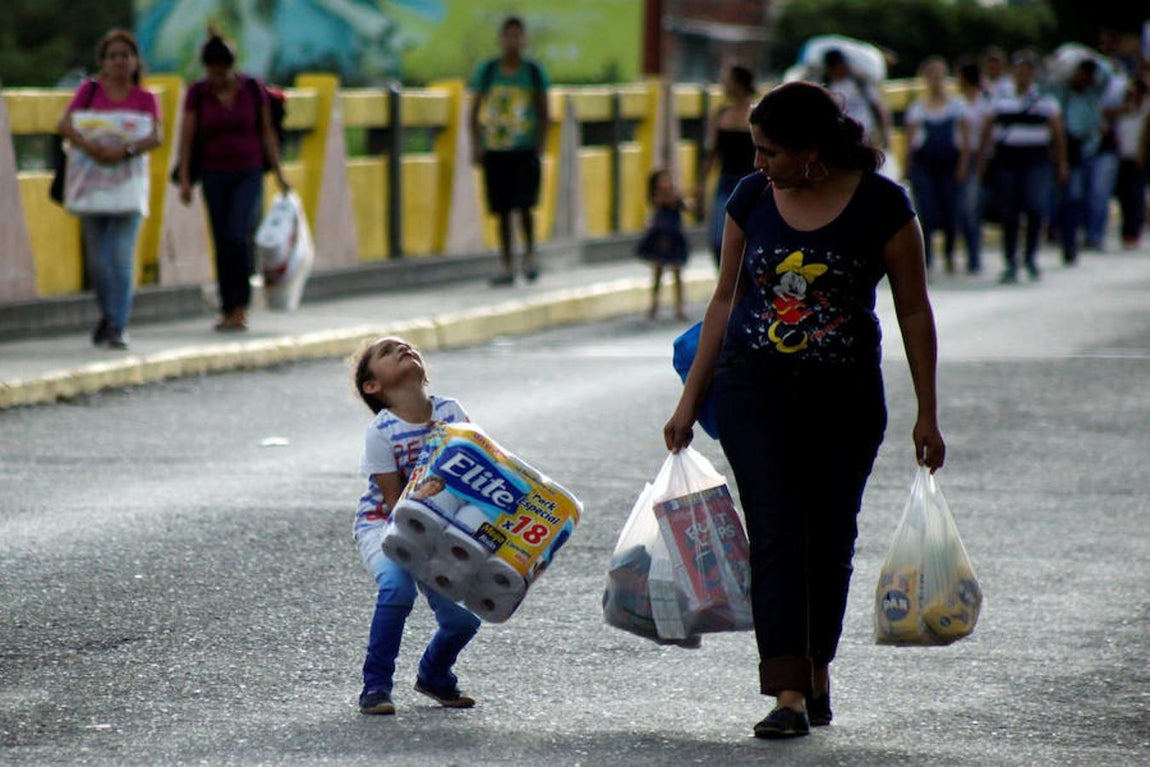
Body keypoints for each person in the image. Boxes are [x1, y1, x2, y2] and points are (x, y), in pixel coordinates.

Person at [663, 81, 945, 740]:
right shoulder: (752, 198)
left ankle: (818, 667)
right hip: (753, 391)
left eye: (769, 151)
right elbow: (724, 302)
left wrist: (928, 411)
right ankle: (786, 688)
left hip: (844, 399)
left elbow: (913, 310)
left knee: (830, 537)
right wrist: (688, 399)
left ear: (810, 151)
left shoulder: (883, 205)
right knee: (777, 533)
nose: (757, 162)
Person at [350, 335, 481, 715]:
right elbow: (395, 504)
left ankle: (435, 675)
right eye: (388, 352)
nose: (402, 349)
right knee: (396, 589)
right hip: (386, 526)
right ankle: (375, 686)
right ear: (372, 386)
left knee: (463, 620)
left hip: (440, 527)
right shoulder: (381, 432)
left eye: (406, 346)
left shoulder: (452, 411)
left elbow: (478, 468)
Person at [174, 26, 290, 332]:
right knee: (222, 238)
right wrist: (185, 178)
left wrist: (278, 173)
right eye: (213, 73)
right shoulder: (198, 94)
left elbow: (267, 133)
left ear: (231, 67)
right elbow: (186, 139)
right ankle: (228, 306)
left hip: (248, 171)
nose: (218, 79)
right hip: (214, 173)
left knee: (239, 234)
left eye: (222, 72)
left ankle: (241, 305)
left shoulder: (252, 89)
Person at [56, 29, 162, 351]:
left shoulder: (145, 99)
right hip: (91, 186)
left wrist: (125, 151)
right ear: (103, 62)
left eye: (125, 56)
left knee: (120, 258)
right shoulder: (88, 91)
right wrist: (90, 146)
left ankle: (118, 324)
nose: (119, 62)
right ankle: (107, 312)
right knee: (98, 262)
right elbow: (65, 124)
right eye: (113, 56)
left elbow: (157, 136)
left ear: (135, 62)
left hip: (128, 184)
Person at [468, 16, 551, 286]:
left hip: (525, 148)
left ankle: (529, 255)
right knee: (501, 210)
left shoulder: (534, 72)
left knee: (525, 205)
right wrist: (477, 145)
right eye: (509, 35)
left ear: (524, 39)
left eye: (518, 35)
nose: (513, 41)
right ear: (501, 39)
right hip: (495, 149)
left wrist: (540, 143)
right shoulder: (489, 71)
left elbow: (543, 110)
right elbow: (474, 110)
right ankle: (506, 263)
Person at [977, 50, 1067, 283]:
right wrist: (983, 159)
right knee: (1010, 211)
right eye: (1019, 69)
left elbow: (1057, 133)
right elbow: (988, 127)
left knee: (1036, 208)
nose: (1023, 74)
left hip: (1036, 159)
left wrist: (1061, 163)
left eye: (1028, 69)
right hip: (1008, 159)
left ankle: (1030, 257)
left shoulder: (1044, 99)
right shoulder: (1001, 97)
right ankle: (1010, 261)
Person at [903, 56, 970, 275]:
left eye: (939, 76)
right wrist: (907, 167)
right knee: (927, 212)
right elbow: (910, 141)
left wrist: (963, 166)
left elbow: (965, 139)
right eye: (931, 76)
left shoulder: (957, 106)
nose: (935, 81)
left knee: (951, 210)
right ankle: (928, 258)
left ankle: (950, 253)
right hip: (925, 164)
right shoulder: (918, 108)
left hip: (949, 163)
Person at [1054, 57, 1115, 262]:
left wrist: (1094, 57)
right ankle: (1068, 240)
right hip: (1069, 149)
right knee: (1071, 197)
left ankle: (1092, 235)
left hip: (1089, 149)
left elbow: (1108, 77)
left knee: (1093, 195)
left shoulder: (1092, 94)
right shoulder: (1065, 93)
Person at [696, 65, 757, 268]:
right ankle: (725, 280)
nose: (724, 84)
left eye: (728, 79)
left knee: (749, 236)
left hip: (752, 182)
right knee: (717, 238)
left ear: (739, 83)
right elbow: (711, 152)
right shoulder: (721, 114)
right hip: (726, 181)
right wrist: (700, 184)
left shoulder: (756, 114)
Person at [955, 59, 993, 274]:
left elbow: (986, 134)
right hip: (961, 157)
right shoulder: (959, 102)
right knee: (962, 210)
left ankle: (975, 256)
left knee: (972, 208)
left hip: (977, 158)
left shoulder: (984, 102)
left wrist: (980, 163)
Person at [637, 169, 690, 320]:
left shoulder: (675, 196)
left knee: (677, 271)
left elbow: (686, 206)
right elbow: (659, 205)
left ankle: (680, 307)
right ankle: (654, 305)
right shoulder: (659, 197)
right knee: (658, 272)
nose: (666, 183)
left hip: (674, 236)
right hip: (661, 237)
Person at [822, 48, 892, 151]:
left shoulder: (860, 82)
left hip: (867, 133)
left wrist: (885, 134)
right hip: (843, 139)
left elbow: (877, 107)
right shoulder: (827, 87)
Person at [1113, 77, 1149, 248]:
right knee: (1124, 196)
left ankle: (1133, 232)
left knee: (1136, 196)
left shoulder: (1146, 109)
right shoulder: (1123, 108)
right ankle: (1126, 231)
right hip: (1122, 156)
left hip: (1139, 158)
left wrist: (1142, 155)